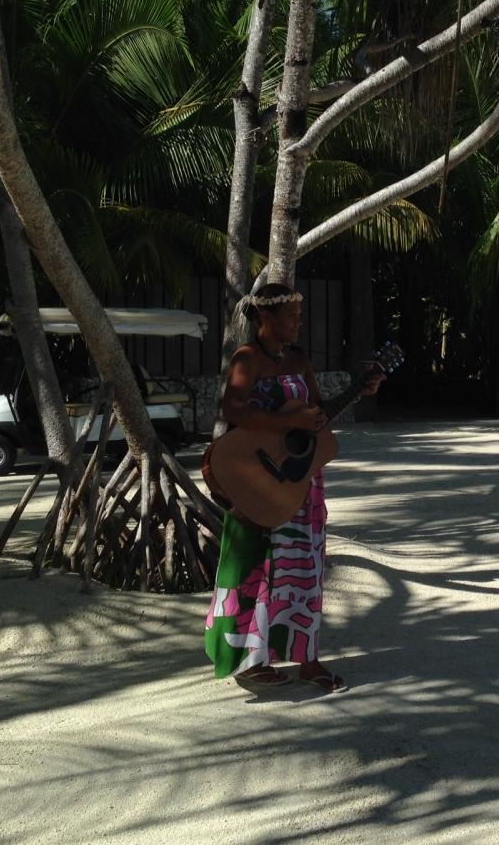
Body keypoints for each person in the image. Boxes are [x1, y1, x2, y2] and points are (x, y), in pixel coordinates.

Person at [203, 283, 382, 692]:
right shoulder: (247, 358)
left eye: (300, 316)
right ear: (266, 318)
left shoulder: (301, 360)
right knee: (258, 567)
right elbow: (232, 409)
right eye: (291, 317)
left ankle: (308, 658)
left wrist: (359, 391)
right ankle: (250, 660)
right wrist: (288, 424)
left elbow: (316, 416)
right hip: (257, 480)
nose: (298, 323)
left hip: (301, 481)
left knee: (305, 571)